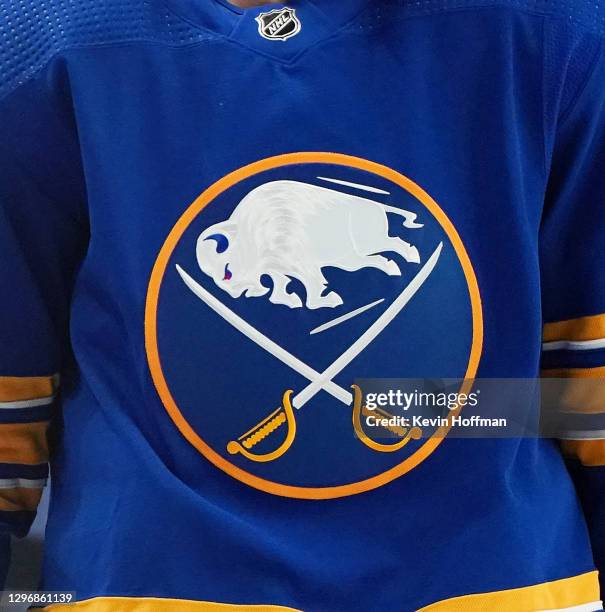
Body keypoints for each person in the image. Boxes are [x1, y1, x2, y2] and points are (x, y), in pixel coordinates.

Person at [1, 0, 604, 610]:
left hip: (504, 588)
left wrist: (415, 401)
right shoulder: (42, 43)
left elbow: (585, 395)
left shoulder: (551, 29)